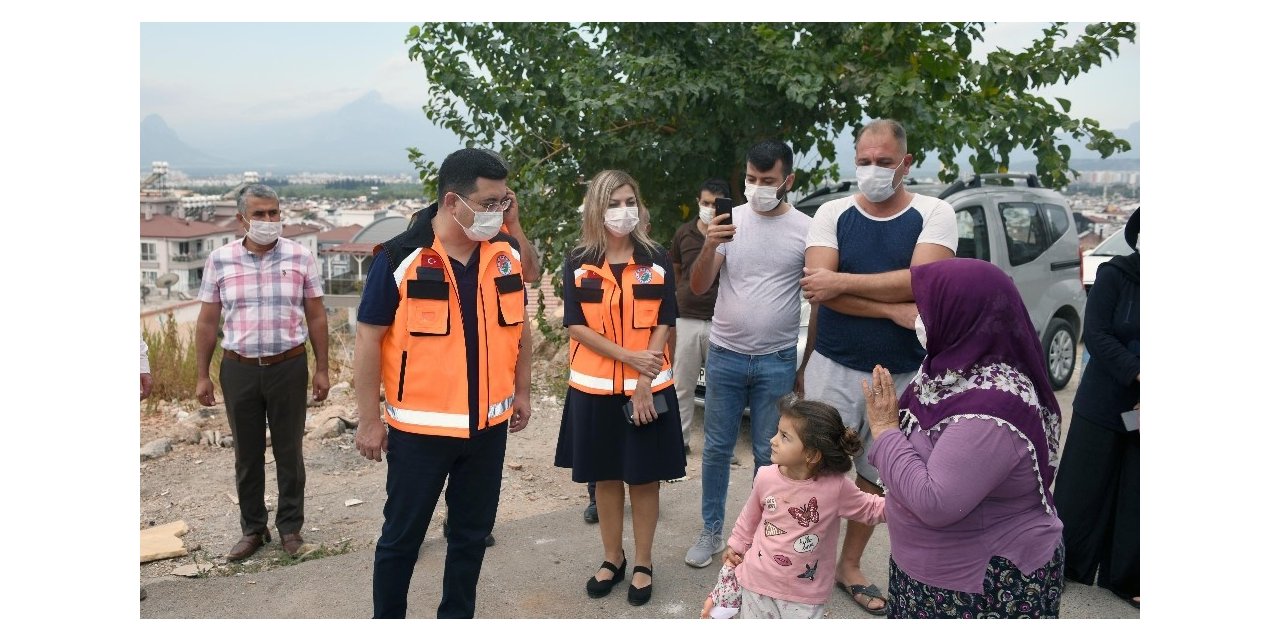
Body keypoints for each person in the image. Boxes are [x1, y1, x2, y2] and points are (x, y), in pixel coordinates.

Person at [352, 148, 532, 619]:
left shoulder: (505, 254)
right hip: (420, 435)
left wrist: (523, 391)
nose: (498, 212)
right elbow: (368, 341)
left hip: (487, 430)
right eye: (489, 203)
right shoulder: (400, 257)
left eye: (504, 201)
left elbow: (520, 328)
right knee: (401, 540)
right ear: (453, 202)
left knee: (471, 537)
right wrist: (369, 420)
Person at [797, 119, 957, 614]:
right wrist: (892, 307)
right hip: (832, 364)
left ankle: (849, 565)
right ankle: (804, 560)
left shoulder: (935, 213)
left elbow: (922, 284)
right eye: (864, 161)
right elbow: (819, 289)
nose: (873, 170)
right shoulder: (832, 213)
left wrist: (843, 283)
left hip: (903, 373)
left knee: (875, 475)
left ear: (906, 163)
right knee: (812, 468)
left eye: (884, 162)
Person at [862, 258, 1065, 618]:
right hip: (932, 576)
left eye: (927, 307)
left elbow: (936, 503)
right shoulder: (952, 368)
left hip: (981, 587)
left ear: (964, 315)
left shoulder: (993, 408)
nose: (919, 317)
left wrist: (884, 429)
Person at [554, 169, 686, 606]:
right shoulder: (579, 260)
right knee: (606, 477)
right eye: (613, 203)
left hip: (649, 388)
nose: (623, 211)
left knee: (644, 479)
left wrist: (644, 380)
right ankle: (613, 558)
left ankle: (644, 563)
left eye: (630, 202)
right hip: (592, 390)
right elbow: (575, 324)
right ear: (597, 208)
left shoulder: (656, 257)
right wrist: (629, 357)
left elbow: (665, 319)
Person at [685, 140, 811, 569]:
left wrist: (806, 362)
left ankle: (762, 535)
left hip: (777, 358)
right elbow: (699, 286)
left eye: (767, 180)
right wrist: (710, 244)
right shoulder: (729, 221)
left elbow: (819, 298)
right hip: (725, 353)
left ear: (788, 181)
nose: (757, 187)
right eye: (751, 179)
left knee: (769, 453)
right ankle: (711, 530)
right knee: (716, 448)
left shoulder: (806, 228)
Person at [195, 184, 330, 561]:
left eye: (274, 212)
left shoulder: (300, 257)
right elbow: (207, 322)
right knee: (247, 454)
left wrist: (322, 368)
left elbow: (316, 315)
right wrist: (202, 374)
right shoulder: (220, 260)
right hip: (238, 369)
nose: (269, 220)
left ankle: (290, 529)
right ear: (242, 219)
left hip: (288, 366)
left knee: (290, 451)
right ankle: (253, 529)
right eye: (260, 214)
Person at [700, 394, 886, 619]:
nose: (773, 440)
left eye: (784, 436)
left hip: (805, 594)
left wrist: (909, 504)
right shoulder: (766, 476)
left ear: (812, 455)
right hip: (757, 583)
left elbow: (871, 509)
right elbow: (749, 517)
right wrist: (736, 546)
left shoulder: (835, 487)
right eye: (777, 432)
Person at [1053, 209, 1140, 609]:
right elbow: (1097, 334)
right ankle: (1062, 566)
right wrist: (1139, 373)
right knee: (1081, 489)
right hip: (1104, 399)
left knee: (1137, 493)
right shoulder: (1115, 274)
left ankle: (1126, 577)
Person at [669, 178, 730, 456]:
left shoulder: (732, 234)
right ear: (698, 202)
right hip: (687, 318)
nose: (709, 208)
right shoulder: (683, 233)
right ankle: (679, 442)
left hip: (722, 321)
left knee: (721, 389)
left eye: (715, 204)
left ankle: (720, 447)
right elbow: (676, 271)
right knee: (682, 384)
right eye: (705, 203)